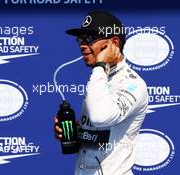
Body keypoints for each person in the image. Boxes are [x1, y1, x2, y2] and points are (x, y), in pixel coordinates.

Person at [54, 11, 148, 175]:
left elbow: (100, 117)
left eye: (89, 38)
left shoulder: (133, 84)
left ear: (114, 43)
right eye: (80, 39)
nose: (82, 45)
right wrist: (77, 133)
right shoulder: (101, 76)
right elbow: (101, 131)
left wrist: (100, 65)